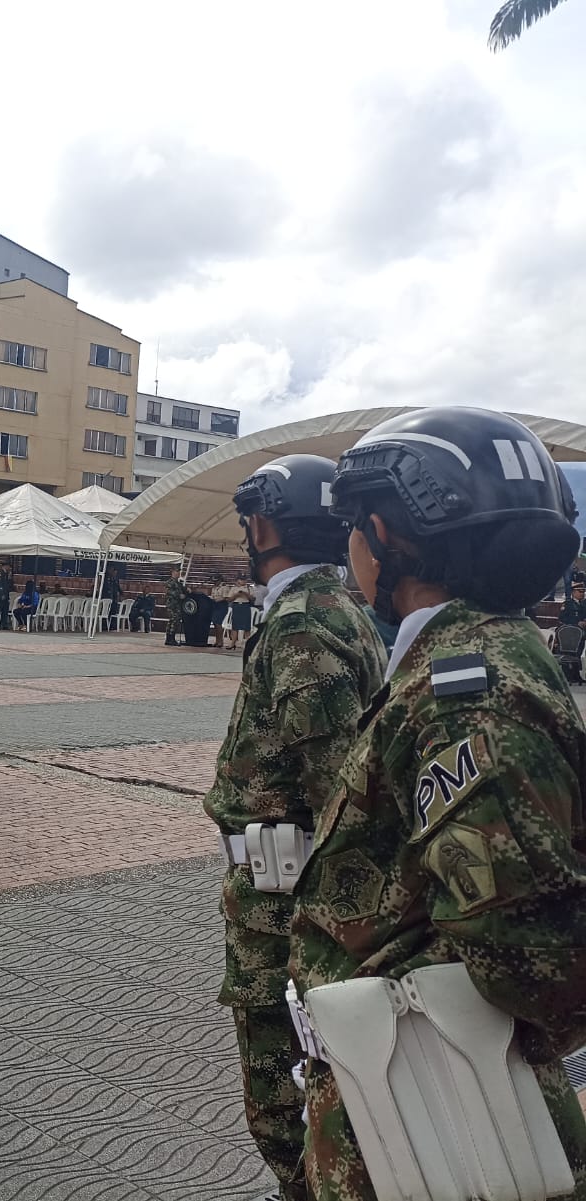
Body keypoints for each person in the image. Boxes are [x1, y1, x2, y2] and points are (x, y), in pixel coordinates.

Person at [289, 407, 586, 1201]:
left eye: (356, 524)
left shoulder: (466, 692)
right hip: (426, 1088)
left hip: (440, 1110)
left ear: (385, 533)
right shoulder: (472, 656)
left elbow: (525, 948)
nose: (350, 545)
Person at [205, 454, 385, 1201]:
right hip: (283, 891)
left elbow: (338, 789)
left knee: (282, 1096)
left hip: (287, 903)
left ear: (265, 524)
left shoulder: (302, 624)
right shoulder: (331, 608)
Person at [227, 581, 256, 650]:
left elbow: (253, 599)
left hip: (245, 606)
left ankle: (248, 644)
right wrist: (236, 595)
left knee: (246, 627)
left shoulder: (249, 588)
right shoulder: (234, 588)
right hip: (236, 606)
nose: (242, 581)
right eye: (240, 579)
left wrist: (246, 593)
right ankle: (233, 643)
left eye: (243, 579)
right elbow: (229, 599)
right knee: (235, 626)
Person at [164, 567, 187, 645]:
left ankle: (169, 638)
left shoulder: (178, 583)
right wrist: (179, 595)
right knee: (174, 620)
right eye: (177, 571)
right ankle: (170, 638)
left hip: (177, 605)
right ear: (173, 572)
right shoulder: (169, 582)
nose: (178, 573)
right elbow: (169, 592)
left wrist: (187, 589)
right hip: (172, 604)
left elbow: (182, 588)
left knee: (173, 621)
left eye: (179, 571)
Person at [0, 566, 13, 631]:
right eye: (8, 567)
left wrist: (10, 578)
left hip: (6, 595)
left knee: (5, 611)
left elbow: (8, 585)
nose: (9, 568)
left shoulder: (7, 574)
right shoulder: (0, 573)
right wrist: (2, 594)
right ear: (5, 566)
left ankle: (4, 624)